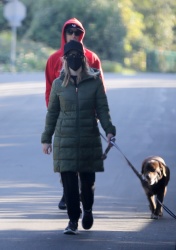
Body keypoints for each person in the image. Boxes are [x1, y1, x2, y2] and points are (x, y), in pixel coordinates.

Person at [41, 40, 116, 235]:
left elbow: (103, 109)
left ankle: (88, 208)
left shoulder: (94, 82)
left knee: (87, 182)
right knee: (69, 184)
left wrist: (109, 130)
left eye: (77, 55)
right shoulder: (58, 84)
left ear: (83, 58)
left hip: (88, 139)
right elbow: (52, 113)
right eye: (70, 56)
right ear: (65, 59)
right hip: (64, 141)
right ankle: (73, 220)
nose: (74, 59)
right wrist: (46, 138)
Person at [45, 17, 104, 210]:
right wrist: (54, 114)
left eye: (77, 33)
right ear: (64, 34)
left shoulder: (92, 58)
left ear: (82, 35)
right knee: (66, 160)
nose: (73, 36)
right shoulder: (54, 59)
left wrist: (96, 114)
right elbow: (49, 90)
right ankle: (68, 194)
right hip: (64, 117)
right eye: (70, 32)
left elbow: (99, 89)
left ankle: (85, 199)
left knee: (84, 162)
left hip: (87, 118)